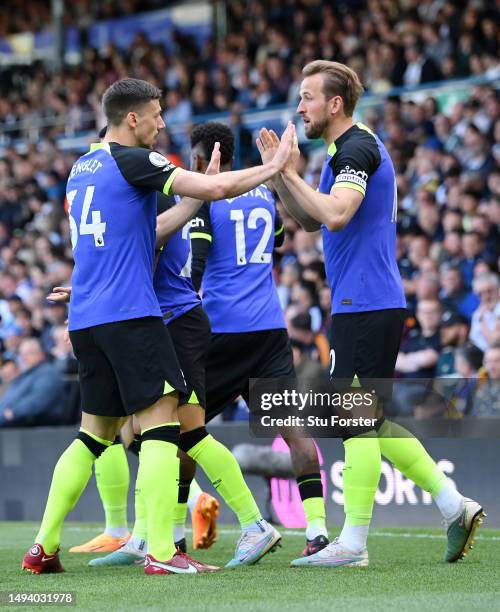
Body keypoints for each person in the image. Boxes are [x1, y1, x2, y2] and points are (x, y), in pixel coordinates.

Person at [22, 77, 294, 576]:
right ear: (132, 118)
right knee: (165, 426)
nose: (162, 123)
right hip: (133, 317)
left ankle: (44, 546)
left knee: (93, 435)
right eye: (156, 113)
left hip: (87, 320)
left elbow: (134, 235)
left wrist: (79, 289)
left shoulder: (80, 170)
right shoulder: (135, 161)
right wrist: (275, 168)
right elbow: (213, 188)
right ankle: (162, 553)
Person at [256, 60, 484, 567]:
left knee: (354, 423)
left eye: (308, 97)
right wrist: (279, 178)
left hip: (367, 303)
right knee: (371, 424)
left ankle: (353, 544)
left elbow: (336, 213)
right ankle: (455, 506)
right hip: (363, 302)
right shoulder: (341, 152)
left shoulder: (357, 148)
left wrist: (289, 173)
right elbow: (309, 223)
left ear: (335, 104)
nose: (299, 108)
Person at [189, 122, 329, 558]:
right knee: (294, 432)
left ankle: (175, 535)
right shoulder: (263, 195)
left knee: (183, 432)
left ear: (198, 159)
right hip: (269, 330)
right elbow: (280, 243)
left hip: (222, 332)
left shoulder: (206, 199)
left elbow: (193, 269)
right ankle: (319, 532)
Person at [0, 338, 65, 427]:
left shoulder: (47, 374)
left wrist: (13, 412)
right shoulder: (26, 375)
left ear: (41, 354)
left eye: (28, 353)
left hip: (36, 429)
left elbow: (39, 401)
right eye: (21, 354)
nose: (23, 358)